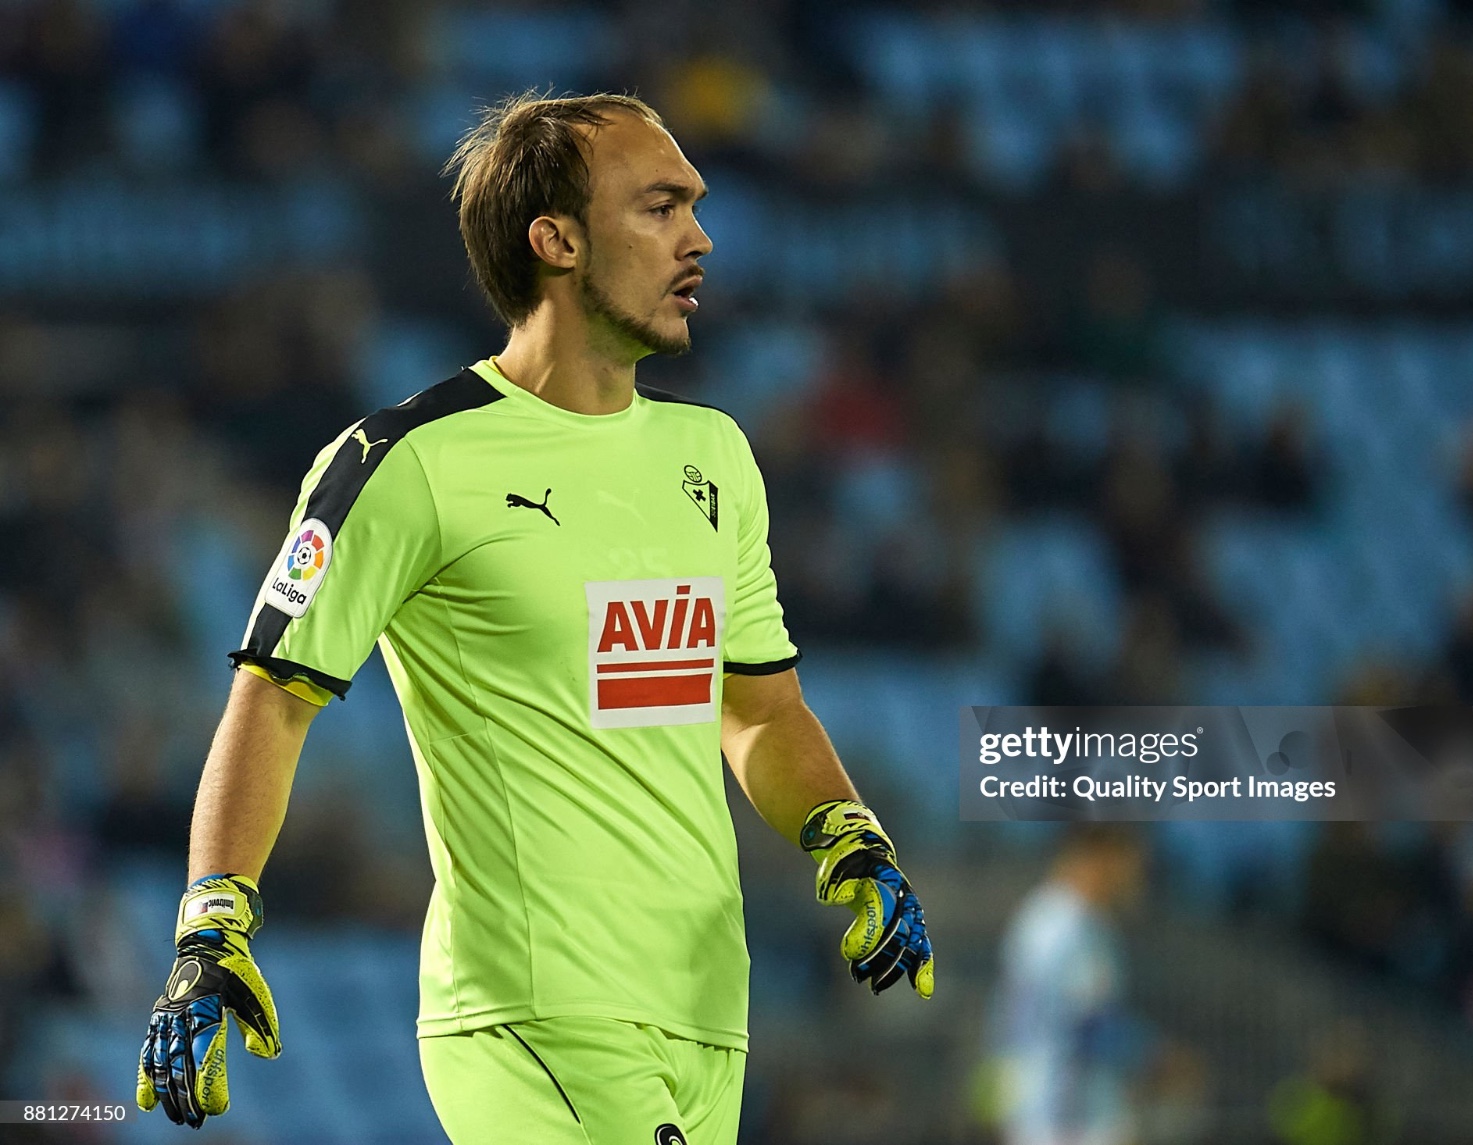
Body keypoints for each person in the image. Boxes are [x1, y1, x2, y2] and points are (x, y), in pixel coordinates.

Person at [133, 92, 934, 1144]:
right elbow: (273, 697)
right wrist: (211, 925)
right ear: (555, 240)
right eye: (658, 208)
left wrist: (848, 836)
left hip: (702, 1013)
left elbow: (758, 708)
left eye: (694, 205)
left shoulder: (714, 458)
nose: (699, 238)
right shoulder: (407, 461)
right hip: (534, 1010)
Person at [989, 824, 1149, 1145]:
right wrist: (1156, 1056)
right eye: (1129, 862)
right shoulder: (1066, 927)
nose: (1135, 876)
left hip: (1051, 1113)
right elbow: (1085, 1025)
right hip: (1063, 1119)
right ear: (1100, 858)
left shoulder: (1057, 920)